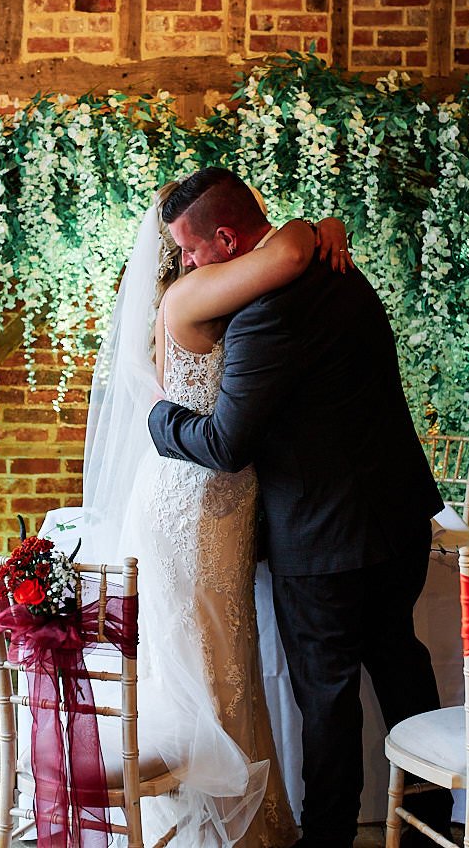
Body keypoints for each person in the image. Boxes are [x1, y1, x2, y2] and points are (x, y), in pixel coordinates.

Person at [147, 168, 452, 848]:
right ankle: (432, 826)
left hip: (322, 542)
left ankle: (328, 840)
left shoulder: (261, 316)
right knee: (401, 665)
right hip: (400, 515)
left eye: (193, 251)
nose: (189, 265)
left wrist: (158, 421)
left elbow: (226, 444)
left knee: (328, 702)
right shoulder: (340, 269)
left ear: (225, 240)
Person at [93, 176, 350, 848]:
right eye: (177, 252)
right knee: (205, 663)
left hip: (221, 498)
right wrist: (316, 226)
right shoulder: (192, 294)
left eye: (191, 249)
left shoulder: (215, 284)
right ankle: (210, 829)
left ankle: (243, 821)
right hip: (194, 500)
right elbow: (289, 250)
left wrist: (332, 225)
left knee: (225, 656)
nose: (185, 263)